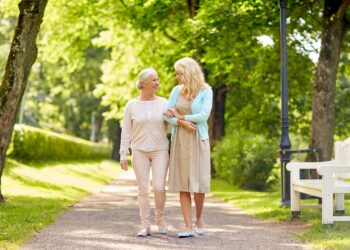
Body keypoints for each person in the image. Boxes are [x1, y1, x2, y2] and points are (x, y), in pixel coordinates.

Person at [163, 57, 213, 238]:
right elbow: (166, 115)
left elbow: (203, 116)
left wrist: (180, 116)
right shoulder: (176, 91)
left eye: (179, 73)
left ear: (189, 72)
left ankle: (199, 219)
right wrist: (181, 123)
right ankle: (187, 226)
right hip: (180, 140)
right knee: (183, 183)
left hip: (199, 139)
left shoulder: (206, 90)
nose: (176, 76)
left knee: (198, 184)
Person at [119, 68, 169, 237]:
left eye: (158, 79)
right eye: (154, 80)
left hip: (160, 150)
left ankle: (160, 219)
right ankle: (145, 225)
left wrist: (171, 122)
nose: (157, 83)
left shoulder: (164, 103)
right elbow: (126, 130)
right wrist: (123, 153)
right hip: (139, 150)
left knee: (159, 186)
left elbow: (170, 127)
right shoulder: (131, 105)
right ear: (144, 83)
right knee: (143, 189)